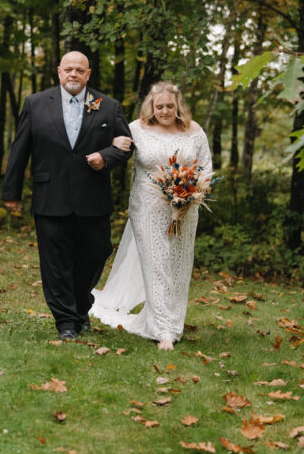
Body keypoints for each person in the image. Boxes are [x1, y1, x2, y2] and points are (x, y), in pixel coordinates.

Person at [1, 51, 132, 341]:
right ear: (59, 72)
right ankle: (66, 323)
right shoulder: (35, 104)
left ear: (88, 74)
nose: (73, 74)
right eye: (68, 69)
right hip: (51, 195)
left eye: (79, 70)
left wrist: (105, 156)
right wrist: (11, 191)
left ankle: (81, 306)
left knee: (96, 254)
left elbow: (125, 146)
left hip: (93, 198)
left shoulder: (108, 107)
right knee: (55, 262)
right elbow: (20, 149)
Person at [90, 81, 212, 351]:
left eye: (170, 106)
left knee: (178, 267)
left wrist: (191, 196)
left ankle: (172, 323)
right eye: (160, 106)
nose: (165, 111)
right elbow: (114, 149)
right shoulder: (135, 128)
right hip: (147, 207)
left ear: (178, 106)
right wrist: (110, 144)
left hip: (185, 209)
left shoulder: (194, 132)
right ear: (151, 107)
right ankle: (163, 332)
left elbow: (205, 168)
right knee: (157, 264)